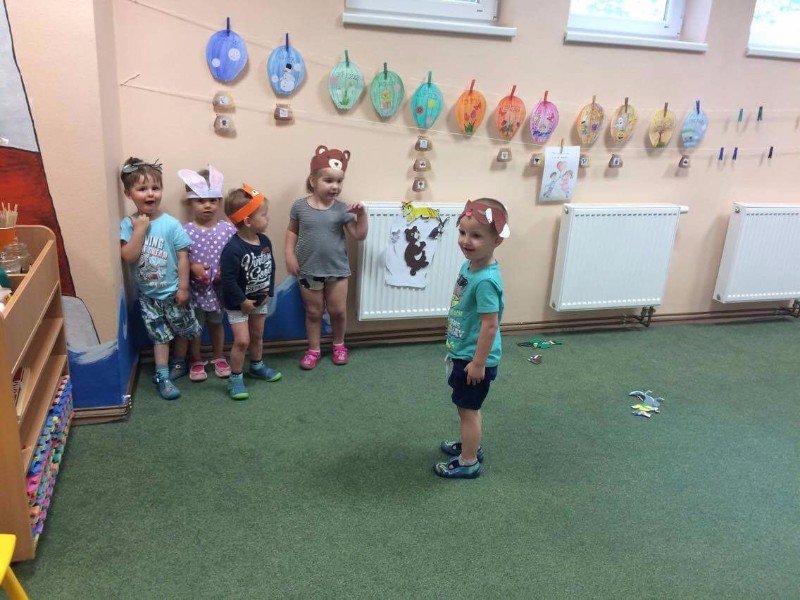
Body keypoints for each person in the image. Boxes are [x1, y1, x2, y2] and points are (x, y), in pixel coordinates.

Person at [434, 198, 510, 479]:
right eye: (463, 232)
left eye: (476, 235)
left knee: (469, 410)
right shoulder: (470, 267)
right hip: (463, 352)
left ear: (497, 240)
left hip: (474, 359)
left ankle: (468, 461)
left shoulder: (486, 280)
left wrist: (478, 364)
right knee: (465, 407)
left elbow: (490, 326)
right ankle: (470, 445)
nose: (466, 240)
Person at [119, 157, 201, 400]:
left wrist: (184, 288)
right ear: (128, 193)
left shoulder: (171, 224)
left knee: (183, 331)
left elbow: (183, 257)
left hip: (174, 291)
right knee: (160, 337)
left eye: (155, 187)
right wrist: (139, 230)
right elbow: (128, 256)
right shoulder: (128, 224)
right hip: (149, 297)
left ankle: (179, 362)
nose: (150, 193)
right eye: (142, 189)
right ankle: (163, 375)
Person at [284, 145, 368, 370]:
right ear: (313, 181)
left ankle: (339, 345)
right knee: (313, 312)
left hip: (337, 270)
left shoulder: (342, 209)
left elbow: (359, 235)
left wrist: (362, 216)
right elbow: (292, 232)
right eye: (328, 180)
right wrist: (289, 255)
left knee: (338, 311)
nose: (335, 186)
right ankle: (313, 349)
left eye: (339, 181)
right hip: (308, 270)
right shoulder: (299, 207)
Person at [171, 165, 236, 382]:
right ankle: (196, 359)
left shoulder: (228, 230)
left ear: (219, 202)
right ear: (190, 202)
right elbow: (178, 259)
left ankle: (218, 356)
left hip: (218, 291)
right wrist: (193, 267)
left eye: (213, 200)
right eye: (200, 200)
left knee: (217, 324)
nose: (207, 205)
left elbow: (236, 255)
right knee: (196, 328)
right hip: (196, 292)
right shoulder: (184, 231)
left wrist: (225, 271)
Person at [220, 185, 281, 400]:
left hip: (260, 300)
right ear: (247, 221)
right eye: (263, 215)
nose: (267, 218)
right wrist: (242, 301)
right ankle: (235, 378)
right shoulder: (232, 249)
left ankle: (256, 366)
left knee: (257, 335)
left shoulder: (265, 241)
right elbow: (227, 280)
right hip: (238, 304)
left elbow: (270, 267)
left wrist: (269, 291)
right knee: (242, 341)